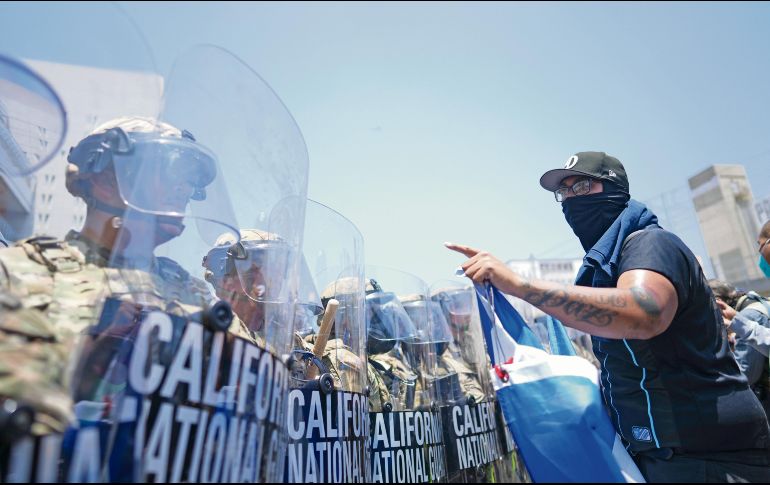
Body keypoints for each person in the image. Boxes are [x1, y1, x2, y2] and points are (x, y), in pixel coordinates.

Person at [447, 151, 770, 482]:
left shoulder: (651, 244)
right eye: (564, 192)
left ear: (614, 190)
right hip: (664, 456)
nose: (571, 199)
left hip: (710, 459)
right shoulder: (605, 267)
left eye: (582, 186)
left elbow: (643, 313)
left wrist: (520, 285)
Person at [717, 220, 770, 356]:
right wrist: (736, 321)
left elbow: (746, 369)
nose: (759, 252)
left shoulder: (750, 313)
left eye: (761, 245)